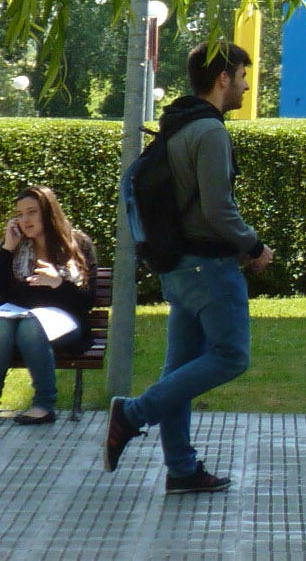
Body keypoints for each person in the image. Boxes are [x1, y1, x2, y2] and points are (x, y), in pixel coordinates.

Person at [106, 41, 273, 494]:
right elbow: (219, 209)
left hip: (178, 268)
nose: (244, 85)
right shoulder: (211, 132)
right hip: (208, 268)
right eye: (242, 76)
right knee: (231, 356)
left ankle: (181, 469)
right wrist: (254, 245)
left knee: (179, 371)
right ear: (223, 78)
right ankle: (132, 413)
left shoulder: (178, 126)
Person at [0, 185, 96, 425]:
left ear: (48, 213)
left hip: (65, 319)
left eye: (32, 212)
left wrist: (58, 283)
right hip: (16, 317)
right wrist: (7, 249)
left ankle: (44, 405)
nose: (25, 219)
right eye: (20, 214)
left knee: (32, 325)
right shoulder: (17, 244)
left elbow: (86, 300)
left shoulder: (77, 244)